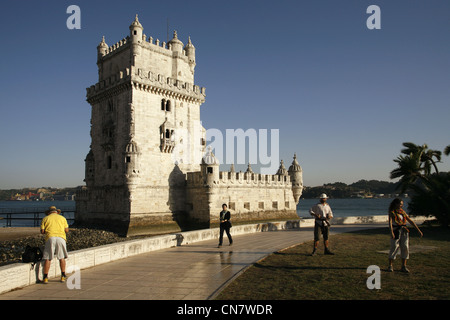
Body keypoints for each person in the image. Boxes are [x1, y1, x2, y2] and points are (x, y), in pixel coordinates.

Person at [388, 198, 423, 273]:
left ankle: (404, 266)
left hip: (404, 231)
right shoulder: (392, 212)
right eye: (400, 204)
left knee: (405, 247)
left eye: (402, 204)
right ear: (395, 204)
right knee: (394, 247)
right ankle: (390, 265)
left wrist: (418, 230)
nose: (401, 205)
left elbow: (410, 221)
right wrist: (391, 232)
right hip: (396, 230)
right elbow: (390, 223)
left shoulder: (402, 212)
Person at [40, 206, 69, 283]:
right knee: (61, 257)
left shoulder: (45, 218)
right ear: (56, 211)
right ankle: (63, 276)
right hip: (61, 238)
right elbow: (66, 230)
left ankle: (45, 277)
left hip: (50, 238)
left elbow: (42, 231)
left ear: (49, 212)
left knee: (48, 258)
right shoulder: (63, 218)